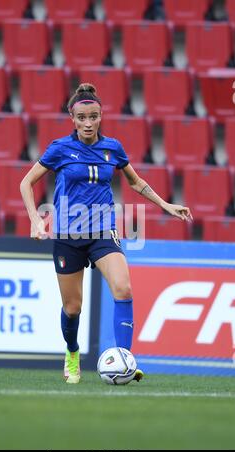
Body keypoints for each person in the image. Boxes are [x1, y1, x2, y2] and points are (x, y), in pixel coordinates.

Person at [20, 83, 192, 384]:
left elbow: (135, 183)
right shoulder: (59, 149)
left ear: (101, 116)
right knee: (72, 309)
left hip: (102, 230)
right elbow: (26, 183)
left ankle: (124, 360)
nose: (88, 123)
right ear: (72, 119)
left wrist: (165, 204)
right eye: (82, 118)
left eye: (94, 117)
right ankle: (72, 352)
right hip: (68, 236)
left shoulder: (112, 147)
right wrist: (36, 220)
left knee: (123, 289)